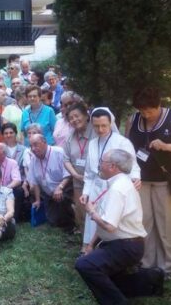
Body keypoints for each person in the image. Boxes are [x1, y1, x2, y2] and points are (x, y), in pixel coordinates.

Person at [75, 149, 151, 304]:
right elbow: (106, 221)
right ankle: (129, 289)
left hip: (126, 246)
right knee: (102, 270)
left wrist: (91, 211)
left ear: (112, 166)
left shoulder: (118, 189)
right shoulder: (119, 183)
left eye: (102, 162)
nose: (99, 165)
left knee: (84, 265)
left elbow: (109, 226)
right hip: (125, 244)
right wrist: (90, 245)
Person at [127, 87, 171, 279]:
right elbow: (128, 147)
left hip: (166, 181)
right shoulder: (133, 120)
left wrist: (165, 146)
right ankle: (147, 263)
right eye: (142, 111)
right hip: (141, 181)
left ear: (159, 105)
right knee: (144, 223)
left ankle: (167, 267)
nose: (146, 115)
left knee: (166, 225)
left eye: (150, 110)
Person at [81, 108, 140, 253]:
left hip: (114, 189)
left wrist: (135, 178)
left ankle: (109, 254)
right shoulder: (93, 143)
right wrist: (85, 192)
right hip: (96, 188)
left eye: (104, 126)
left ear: (111, 123)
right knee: (93, 221)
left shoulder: (122, 142)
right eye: (96, 126)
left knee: (110, 222)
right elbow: (89, 173)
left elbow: (133, 166)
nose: (100, 129)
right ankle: (89, 249)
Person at [62, 103, 95, 242]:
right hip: (78, 181)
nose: (74, 120)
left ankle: (95, 243)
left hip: (96, 181)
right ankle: (84, 241)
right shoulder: (70, 137)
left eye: (77, 116)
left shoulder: (96, 131)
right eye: (71, 118)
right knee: (81, 213)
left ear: (86, 115)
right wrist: (75, 175)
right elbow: (66, 159)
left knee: (94, 212)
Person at [27, 134, 74, 231]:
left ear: (45, 142)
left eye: (36, 145)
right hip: (48, 193)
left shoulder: (59, 152)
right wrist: (38, 200)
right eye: (31, 146)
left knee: (64, 219)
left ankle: (72, 218)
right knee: (52, 221)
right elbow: (35, 182)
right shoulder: (33, 159)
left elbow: (69, 174)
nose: (33, 149)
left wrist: (60, 187)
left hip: (65, 188)